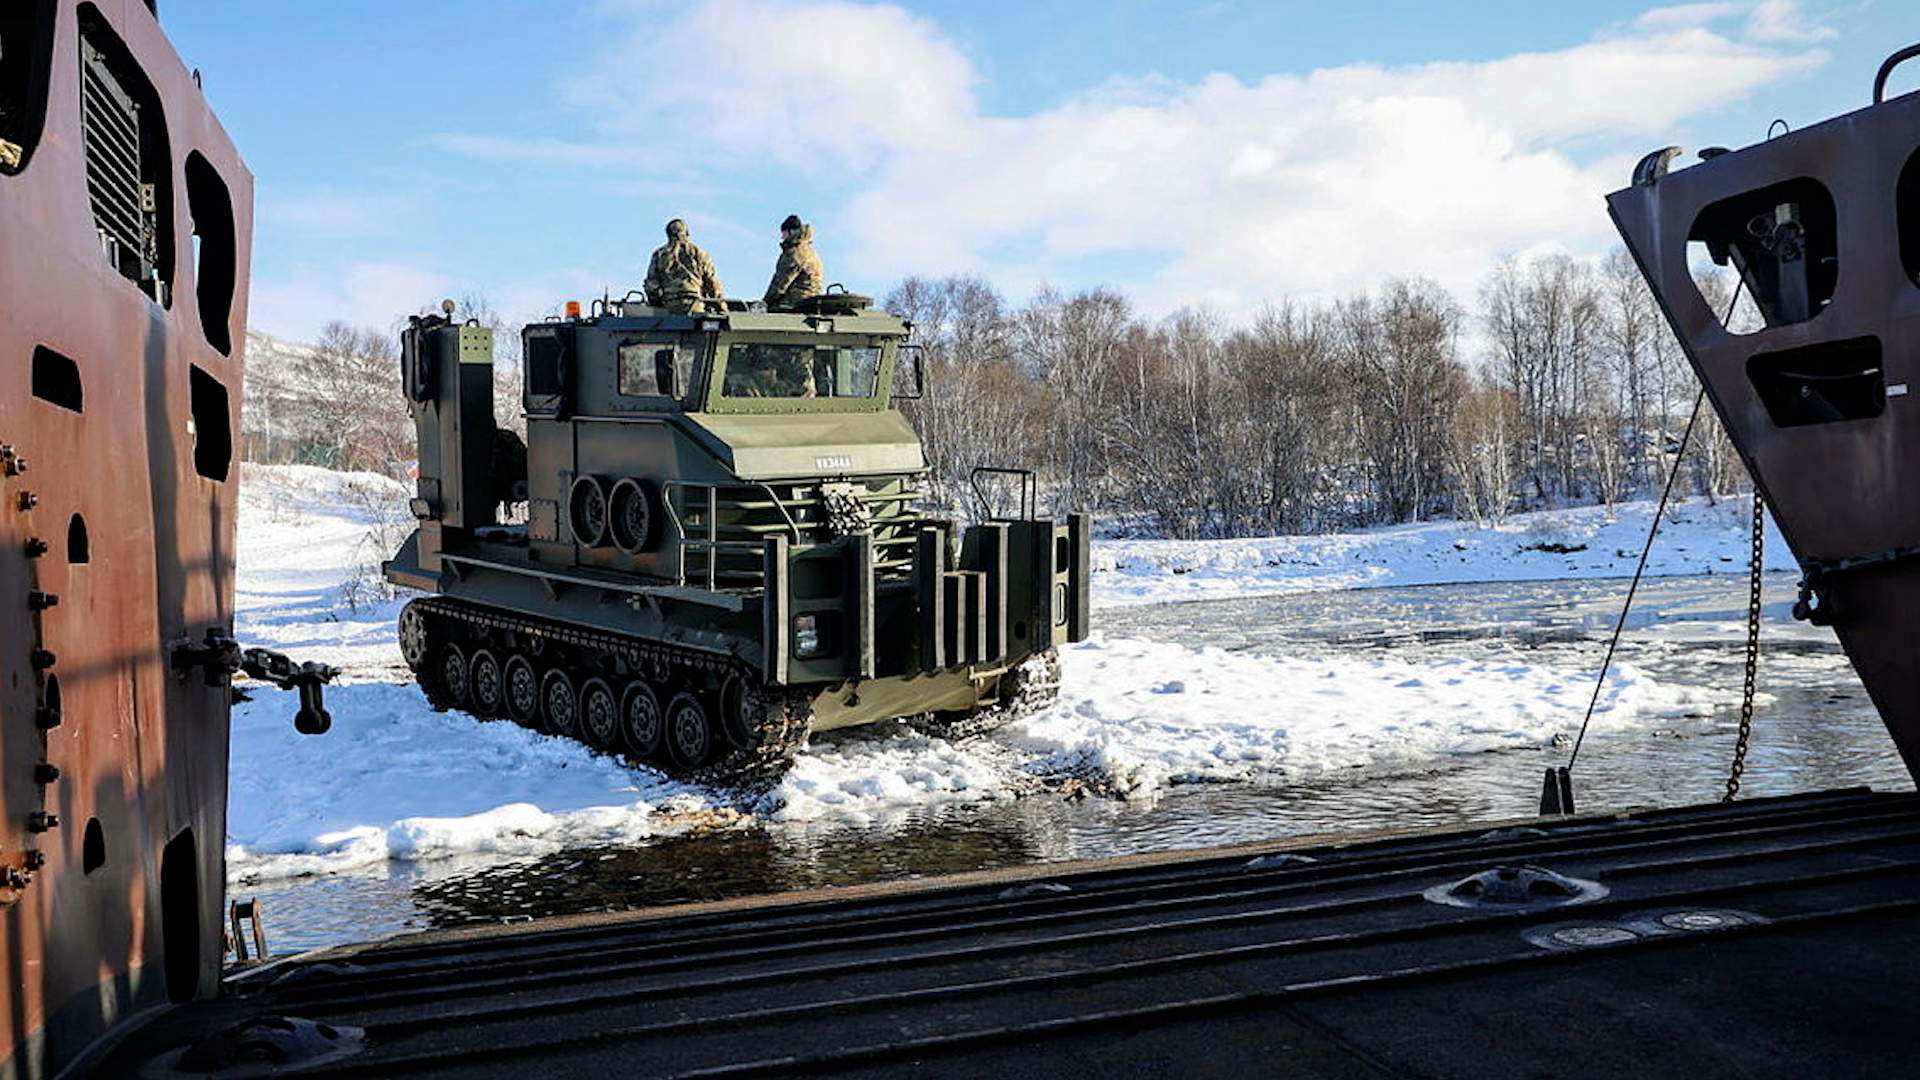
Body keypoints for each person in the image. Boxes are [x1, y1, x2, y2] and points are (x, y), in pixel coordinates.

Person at [644, 219, 724, 312]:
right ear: (687, 233)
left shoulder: (659, 255)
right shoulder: (699, 253)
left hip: (669, 307)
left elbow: (651, 286)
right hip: (695, 305)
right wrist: (721, 306)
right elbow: (712, 282)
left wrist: (656, 304)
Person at [763, 214, 823, 311]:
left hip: (797, 301)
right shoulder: (808, 250)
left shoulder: (795, 253)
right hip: (811, 299)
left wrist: (765, 302)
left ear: (792, 232)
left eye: (784, 233)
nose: (782, 237)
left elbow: (781, 283)